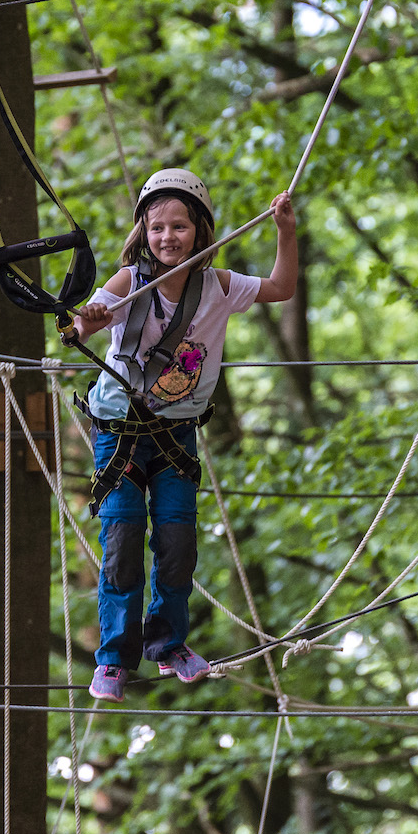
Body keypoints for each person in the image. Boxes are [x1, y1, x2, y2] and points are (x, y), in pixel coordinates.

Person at [66, 168, 298, 701]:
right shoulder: (130, 283)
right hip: (120, 431)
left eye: (179, 227)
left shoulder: (219, 287)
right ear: (142, 234)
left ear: (201, 231)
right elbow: (83, 326)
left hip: (174, 437)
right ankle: (114, 658)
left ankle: (168, 644)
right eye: (157, 229)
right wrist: (92, 317)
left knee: (176, 543)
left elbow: (282, 288)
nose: (168, 237)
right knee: (123, 540)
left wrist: (285, 230)